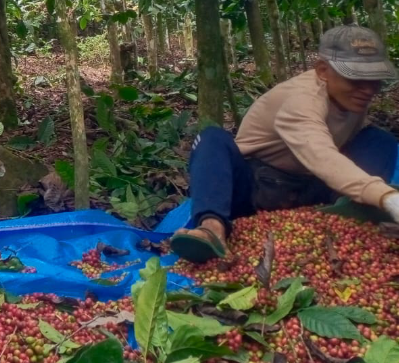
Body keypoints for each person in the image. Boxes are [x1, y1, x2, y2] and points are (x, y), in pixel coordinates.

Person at [171, 25, 399, 263]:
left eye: (374, 81)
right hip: (256, 190)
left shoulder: (352, 100)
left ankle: (347, 224)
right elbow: (321, 154)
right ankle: (212, 229)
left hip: (311, 192)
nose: (367, 90)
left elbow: (353, 148)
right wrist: (386, 197)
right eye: (355, 79)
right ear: (323, 70)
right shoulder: (301, 100)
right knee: (211, 138)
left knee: (380, 140)